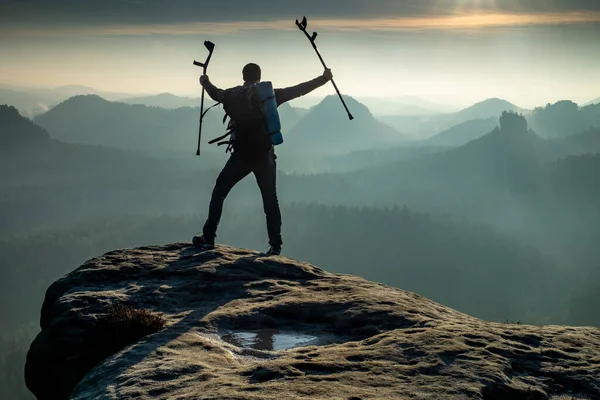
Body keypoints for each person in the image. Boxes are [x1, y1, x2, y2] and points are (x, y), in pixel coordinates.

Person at [192, 63, 333, 255]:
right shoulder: (269, 95)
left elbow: (216, 94)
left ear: (243, 76)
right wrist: (323, 79)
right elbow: (299, 90)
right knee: (270, 200)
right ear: (260, 76)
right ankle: (275, 246)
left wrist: (205, 81)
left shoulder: (233, 94)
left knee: (219, 192)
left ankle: (208, 238)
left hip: (240, 156)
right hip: (265, 156)